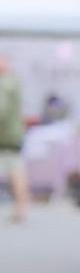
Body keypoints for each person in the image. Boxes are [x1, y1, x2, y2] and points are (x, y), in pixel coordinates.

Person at [0, 55, 30, 223]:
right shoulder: (13, 81)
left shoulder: (5, 84)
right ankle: (21, 208)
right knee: (17, 170)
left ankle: (21, 208)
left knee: (15, 171)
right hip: (12, 134)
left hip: (5, 136)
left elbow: (1, 110)